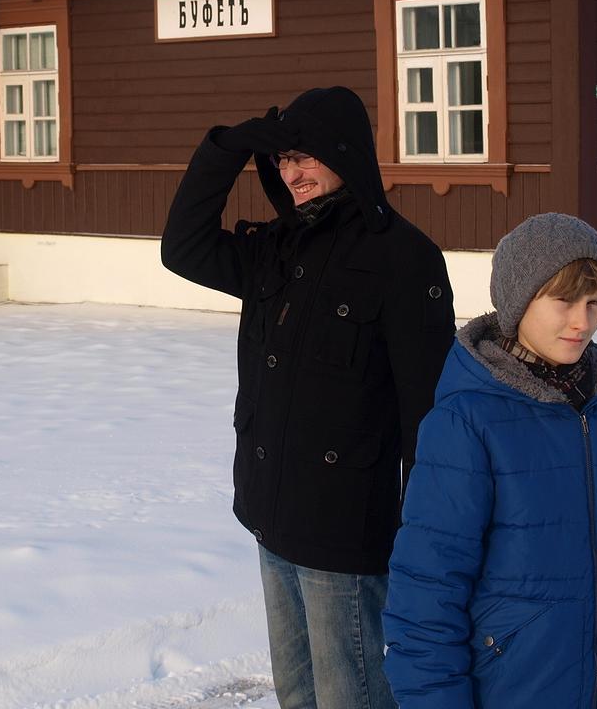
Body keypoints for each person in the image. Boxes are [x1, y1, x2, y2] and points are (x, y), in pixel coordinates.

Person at [161, 86, 455, 709]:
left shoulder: (405, 259)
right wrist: (228, 146)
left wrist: (426, 533)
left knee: (352, 696)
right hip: (272, 516)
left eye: (306, 157)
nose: (292, 173)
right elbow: (181, 248)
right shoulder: (277, 246)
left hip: (346, 531)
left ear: (345, 155)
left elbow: (426, 414)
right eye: (283, 160)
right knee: (297, 695)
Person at [382, 212, 597, 709]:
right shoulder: (467, 421)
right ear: (517, 301)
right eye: (564, 300)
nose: (583, 321)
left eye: (595, 303)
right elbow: (428, 589)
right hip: (510, 689)